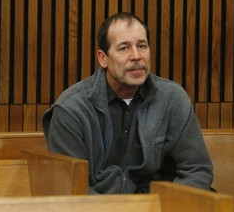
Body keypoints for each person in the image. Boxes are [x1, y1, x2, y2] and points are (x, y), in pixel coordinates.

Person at [42, 12, 213, 194]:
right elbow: (70, 186)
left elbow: (196, 169)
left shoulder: (172, 99)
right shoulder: (71, 109)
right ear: (103, 58)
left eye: (142, 46)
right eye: (124, 48)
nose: (136, 56)